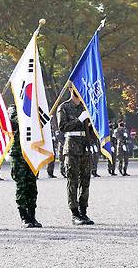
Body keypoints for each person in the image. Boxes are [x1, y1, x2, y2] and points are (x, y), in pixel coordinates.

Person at [57, 87, 94, 226]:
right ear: (70, 89)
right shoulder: (64, 107)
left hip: (85, 147)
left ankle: (83, 212)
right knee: (73, 181)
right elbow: (62, 127)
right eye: (76, 87)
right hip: (72, 148)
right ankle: (75, 213)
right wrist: (79, 120)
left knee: (85, 180)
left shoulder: (85, 107)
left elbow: (91, 129)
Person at [8, 105, 42, 228]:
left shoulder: (35, 108)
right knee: (21, 186)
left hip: (32, 153)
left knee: (32, 186)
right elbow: (17, 120)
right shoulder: (12, 109)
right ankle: (24, 217)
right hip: (18, 154)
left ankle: (32, 216)